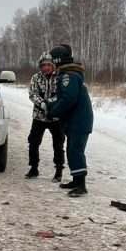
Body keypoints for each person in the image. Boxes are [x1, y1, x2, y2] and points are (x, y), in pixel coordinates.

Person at [46, 44, 94, 197]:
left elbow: (69, 99)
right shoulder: (70, 75)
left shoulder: (69, 76)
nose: (52, 64)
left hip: (78, 122)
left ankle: (81, 185)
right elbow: (64, 98)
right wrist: (51, 104)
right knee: (73, 150)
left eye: (52, 61)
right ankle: (76, 180)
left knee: (75, 151)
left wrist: (54, 111)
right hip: (76, 121)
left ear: (58, 60)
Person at [26, 52, 65, 181]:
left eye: (49, 65)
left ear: (53, 65)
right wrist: (42, 104)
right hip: (39, 117)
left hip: (56, 117)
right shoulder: (36, 78)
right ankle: (33, 168)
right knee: (33, 142)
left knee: (58, 144)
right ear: (40, 66)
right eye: (44, 65)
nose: (46, 67)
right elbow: (32, 93)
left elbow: (62, 94)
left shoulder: (60, 77)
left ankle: (59, 170)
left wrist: (51, 104)